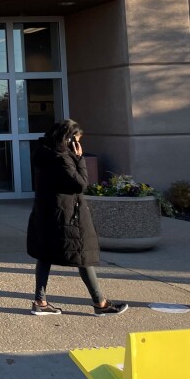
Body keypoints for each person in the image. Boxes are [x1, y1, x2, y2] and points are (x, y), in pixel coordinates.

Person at [27, 120, 129, 316]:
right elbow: (80, 184)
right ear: (69, 140)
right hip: (66, 214)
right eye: (77, 141)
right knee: (82, 254)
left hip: (46, 211)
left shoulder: (43, 153)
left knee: (45, 254)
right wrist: (79, 159)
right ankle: (100, 303)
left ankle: (40, 301)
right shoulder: (62, 158)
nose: (78, 145)